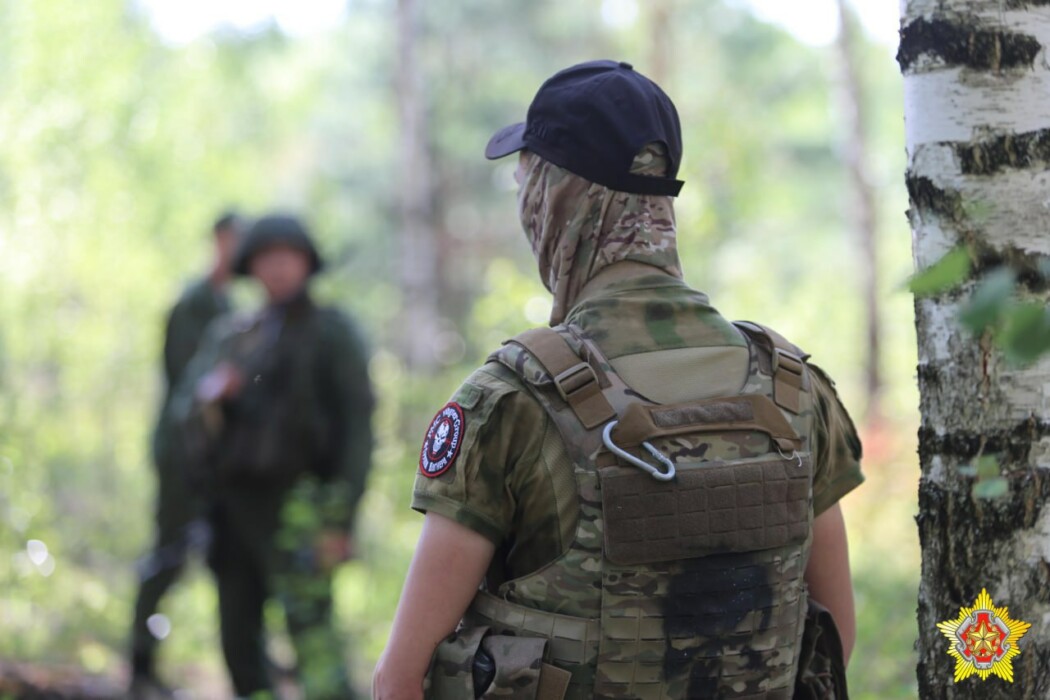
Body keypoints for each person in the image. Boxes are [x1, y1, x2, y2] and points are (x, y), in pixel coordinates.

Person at [374, 60, 863, 700]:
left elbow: (399, 679)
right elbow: (832, 641)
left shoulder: (512, 401)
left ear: (556, 197)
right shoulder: (792, 387)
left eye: (526, 180)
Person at [174, 214, 375, 699]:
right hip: (232, 509)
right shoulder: (232, 335)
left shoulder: (332, 331)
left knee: (314, 643)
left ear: (307, 262)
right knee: (239, 643)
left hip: (302, 507)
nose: (279, 267)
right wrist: (212, 395)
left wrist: (340, 520)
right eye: (267, 258)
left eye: (289, 256)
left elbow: (357, 429)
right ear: (251, 267)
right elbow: (182, 411)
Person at [129, 211, 242, 698]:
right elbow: (185, 384)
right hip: (179, 452)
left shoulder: (228, 304)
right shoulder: (194, 303)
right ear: (218, 240)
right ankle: (139, 663)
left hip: (206, 457)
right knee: (167, 553)